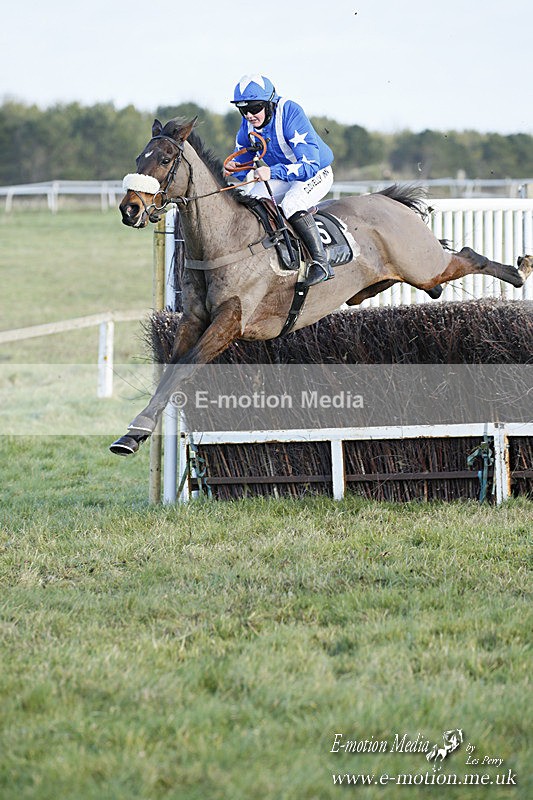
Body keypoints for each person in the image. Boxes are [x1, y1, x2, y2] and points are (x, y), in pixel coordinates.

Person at [225, 74, 335, 286]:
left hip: (316, 172)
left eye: (254, 107)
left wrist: (272, 172)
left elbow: (309, 166)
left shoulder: (290, 111)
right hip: (285, 175)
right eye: (242, 109)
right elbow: (243, 159)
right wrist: (232, 169)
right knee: (251, 199)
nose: (248, 115)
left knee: (292, 203)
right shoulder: (249, 122)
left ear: (269, 103)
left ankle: (321, 263)